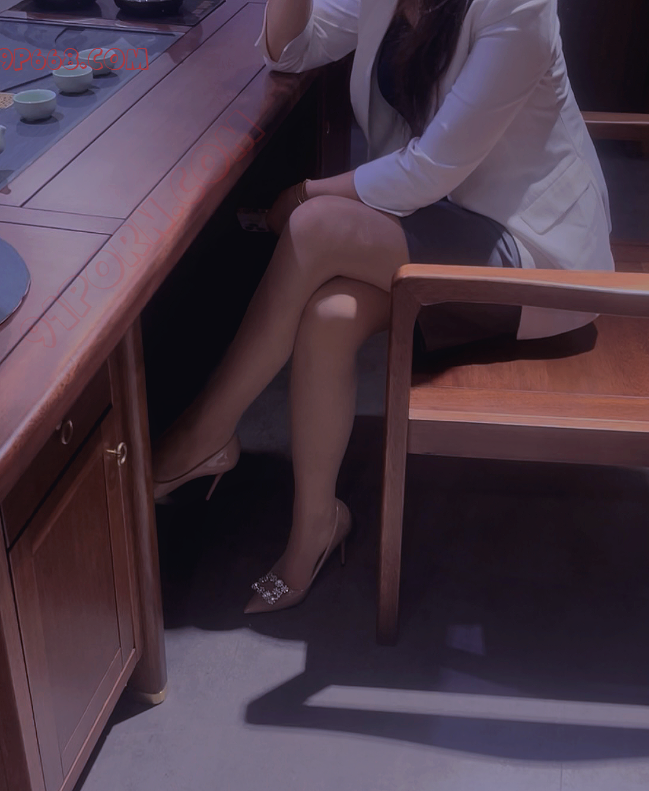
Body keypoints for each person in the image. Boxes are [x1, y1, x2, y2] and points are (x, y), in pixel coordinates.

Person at [151, 0, 614, 613]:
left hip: (533, 253)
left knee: (314, 224)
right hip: (442, 224)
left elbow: (430, 170)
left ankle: (204, 431)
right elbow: (291, 50)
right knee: (329, 315)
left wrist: (306, 192)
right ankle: (315, 528)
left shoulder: (518, 6)